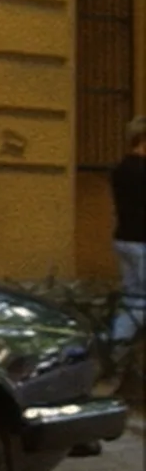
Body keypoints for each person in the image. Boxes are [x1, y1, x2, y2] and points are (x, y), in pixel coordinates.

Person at [111, 115, 146, 349]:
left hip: (124, 238)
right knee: (141, 300)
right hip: (143, 242)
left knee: (133, 298)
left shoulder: (120, 168)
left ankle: (117, 346)